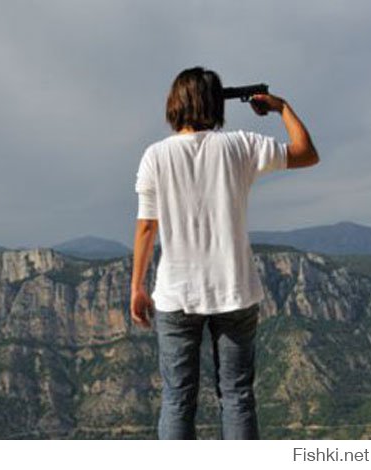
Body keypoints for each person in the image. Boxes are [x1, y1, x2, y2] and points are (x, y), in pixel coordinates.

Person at [130, 66, 319, 440]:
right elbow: (306, 153)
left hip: (176, 293)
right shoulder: (241, 146)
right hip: (235, 289)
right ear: (217, 104)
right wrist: (282, 108)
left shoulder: (155, 156)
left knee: (177, 400)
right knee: (237, 396)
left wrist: (137, 286)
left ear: (175, 103)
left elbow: (147, 227)